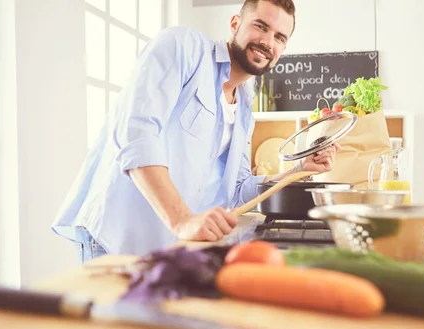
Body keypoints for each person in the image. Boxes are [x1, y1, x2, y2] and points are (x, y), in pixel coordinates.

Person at [52, 0, 340, 262]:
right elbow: (136, 132)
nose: (267, 42)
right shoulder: (183, 47)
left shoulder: (244, 109)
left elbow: (239, 190)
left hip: (167, 247)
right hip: (114, 240)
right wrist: (182, 220)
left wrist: (300, 169)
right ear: (235, 24)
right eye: (260, 26)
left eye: (279, 37)